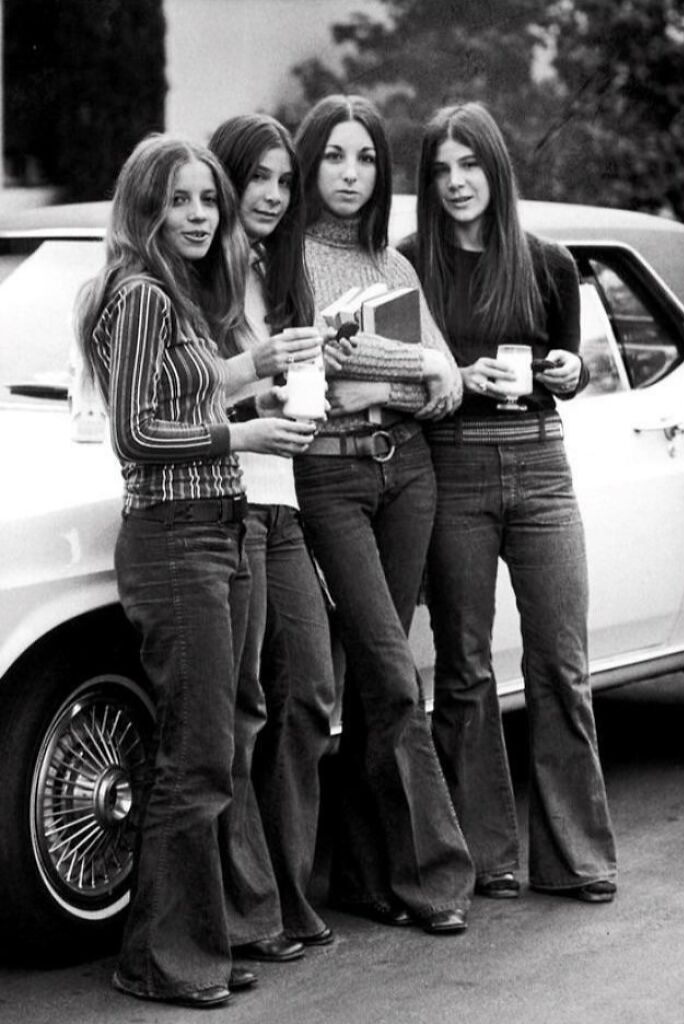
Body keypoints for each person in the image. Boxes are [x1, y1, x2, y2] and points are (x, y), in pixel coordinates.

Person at [75, 134, 318, 1008]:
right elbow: (137, 433)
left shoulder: (170, 293)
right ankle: (163, 960)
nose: (200, 216)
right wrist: (243, 433)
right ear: (145, 209)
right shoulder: (139, 293)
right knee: (198, 754)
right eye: (180, 201)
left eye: (206, 201)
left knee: (207, 751)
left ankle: (190, 947)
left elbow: (188, 386)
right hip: (177, 536)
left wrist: (257, 365)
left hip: (216, 527)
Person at [399, 102, 617, 903]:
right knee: (463, 668)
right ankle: (488, 857)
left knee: (561, 662)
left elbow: (571, 363)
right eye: (442, 171)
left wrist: (569, 372)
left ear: (496, 169)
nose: (457, 183)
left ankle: (578, 858)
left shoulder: (550, 262)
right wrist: (454, 384)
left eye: (470, 166)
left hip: (541, 464)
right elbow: (398, 380)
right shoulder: (408, 263)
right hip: (452, 468)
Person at [292, 93, 475, 934]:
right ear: (310, 162)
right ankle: (436, 877)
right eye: (335, 156)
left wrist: (394, 378)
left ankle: (363, 877)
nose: (351, 174)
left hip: (410, 477)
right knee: (396, 674)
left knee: (378, 688)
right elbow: (320, 366)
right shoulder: (287, 259)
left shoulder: (395, 267)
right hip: (330, 483)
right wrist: (413, 368)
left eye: (365, 159)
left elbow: (451, 385)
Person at [208, 113, 337, 948]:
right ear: (226, 181)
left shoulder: (279, 275)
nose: (273, 194)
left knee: (312, 694)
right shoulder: (197, 276)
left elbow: (304, 387)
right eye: (258, 177)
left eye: (285, 181)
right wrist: (256, 392)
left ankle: (286, 890)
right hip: (228, 499)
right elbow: (176, 398)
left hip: (283, 501)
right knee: (242, 712)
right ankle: (248, 910)